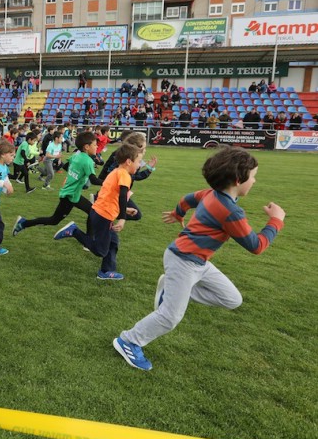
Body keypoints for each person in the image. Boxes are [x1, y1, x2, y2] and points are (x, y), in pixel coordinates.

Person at [113, 146, 285, 371]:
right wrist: (276, 220)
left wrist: (178, 213)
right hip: (183, 260)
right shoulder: (230, 211)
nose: (254, 182)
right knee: (170, 317)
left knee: (232, 299)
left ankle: (172, 290)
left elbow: (187, 199)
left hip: (198, 262)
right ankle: (129, 340)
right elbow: (256, 246)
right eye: (253, 177)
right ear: (237, 179)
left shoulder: (211, 193)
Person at [52, 143, 143, 280]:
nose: (139, 165)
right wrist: (123, 218)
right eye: (138, 162)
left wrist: (125, 209)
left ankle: (106, 271)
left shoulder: (115, 173)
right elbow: (123, 196)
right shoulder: (124, 175)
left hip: (100, 212)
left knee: (113, 242)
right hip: (103, 215)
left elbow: (111, 196)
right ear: (128, 162)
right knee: (100, 250)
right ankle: (74, 231)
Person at [13, 132, 102, 236]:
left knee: (92, 212)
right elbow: (94, 180)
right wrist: (111, 183)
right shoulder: (87, 161)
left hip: (72, 194)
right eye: (95, 144)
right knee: (54, 220)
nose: (97, 147)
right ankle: (24, 223)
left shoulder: (76, 155)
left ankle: (89, 239)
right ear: (87, 147)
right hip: (70, 196)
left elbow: (66, 167)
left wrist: (75, 177)